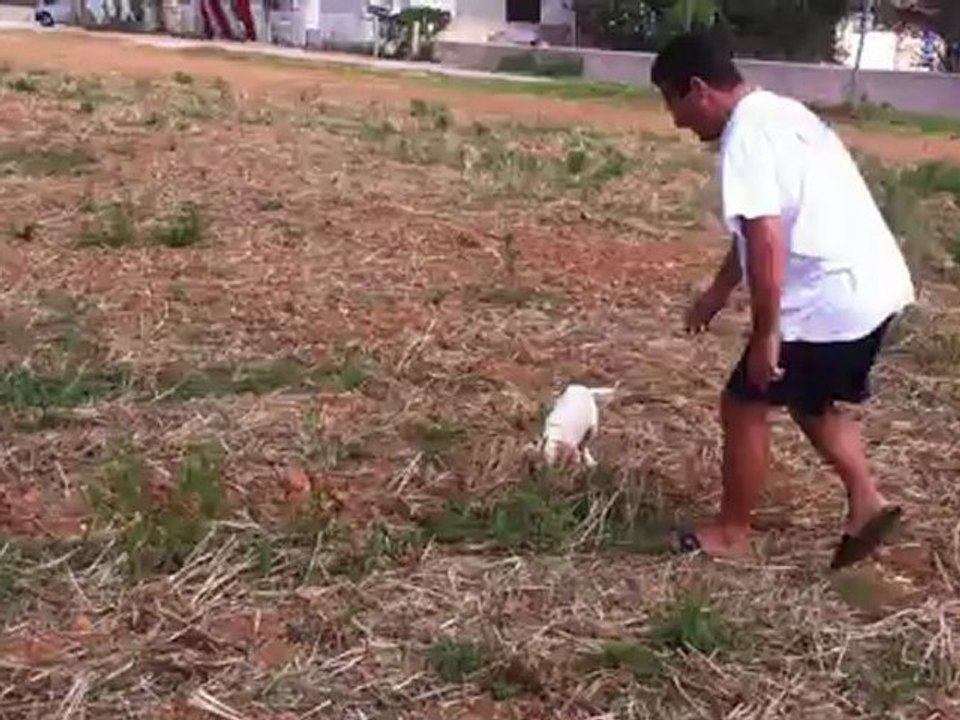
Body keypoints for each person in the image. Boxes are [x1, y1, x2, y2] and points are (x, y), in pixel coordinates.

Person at [649, 32, 915, 569]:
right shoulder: (782, 113)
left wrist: (766, 334)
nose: (676, 121)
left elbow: (766, 235)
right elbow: (757, 226)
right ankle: (867, 501)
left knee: (744, 404)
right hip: (873, 285)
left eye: (672, 102)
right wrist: (719, 293)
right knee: (807, 398)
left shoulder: (745, 136)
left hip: (830, 298)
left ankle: (731, 534)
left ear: (698, 90)